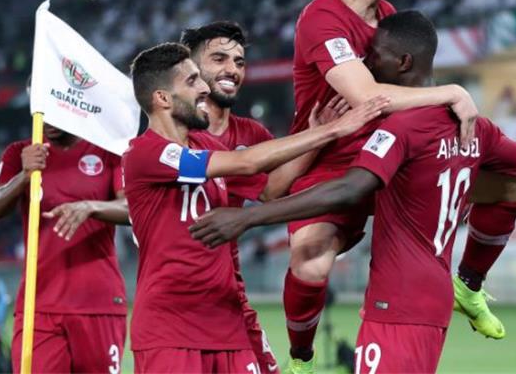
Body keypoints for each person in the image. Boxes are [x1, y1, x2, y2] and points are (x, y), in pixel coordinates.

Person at [189, 11, 516, 373]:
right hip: (434, 298)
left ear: (403, 62)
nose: (366, 64)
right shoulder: (477, 129)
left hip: (397, 302)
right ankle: (470, 283)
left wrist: (248, 218)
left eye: (374, 56)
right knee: (511, 186)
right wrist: (455, 175)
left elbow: (347, 188)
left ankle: (301, 360)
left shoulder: (399, 127)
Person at [282, 0, 479, 370]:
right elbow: (367, 96)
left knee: (510, 174)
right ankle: (301, 358)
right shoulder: (322, 20)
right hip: (332, 162)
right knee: (311, 261)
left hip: (395, 157)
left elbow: (411, 89)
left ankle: (471, 285)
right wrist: (452, 91)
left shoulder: (389, 16)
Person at [124, 42, 387, 373]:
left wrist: (317, 137)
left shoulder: (205, 145)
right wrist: (333, 129)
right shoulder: (146, 153)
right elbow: (246, 162)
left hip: (228, 323)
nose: (204, 87)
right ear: (162, 98)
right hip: (170, 329)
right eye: (192, 81)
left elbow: (269, 189)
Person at [0, 122, 130, 373]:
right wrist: (24, 175)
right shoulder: (21, 152)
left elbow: (132, 208)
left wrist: (90, 207)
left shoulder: (108, 151)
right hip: (39, 304)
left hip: (97, 301)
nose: (49, 122)